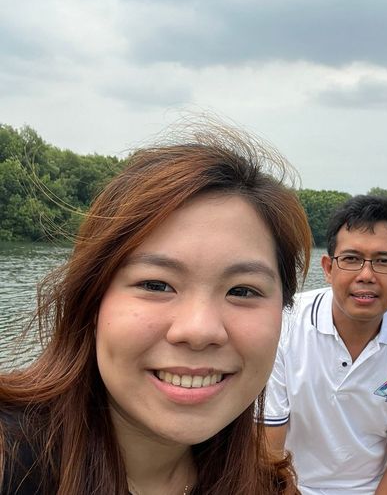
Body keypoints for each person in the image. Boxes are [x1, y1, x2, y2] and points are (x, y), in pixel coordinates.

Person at [0, 124, 312, 494]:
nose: (199, 330)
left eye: (242, 290)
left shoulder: (267, 485)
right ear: (92, 300)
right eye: (156, 285)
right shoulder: (9, 458)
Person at [264, 195, 387, 495]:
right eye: (351, 259)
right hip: (288, 486)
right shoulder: (286, 324)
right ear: (328, 267)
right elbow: (269, 450)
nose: (366, 275)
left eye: (383, 261)